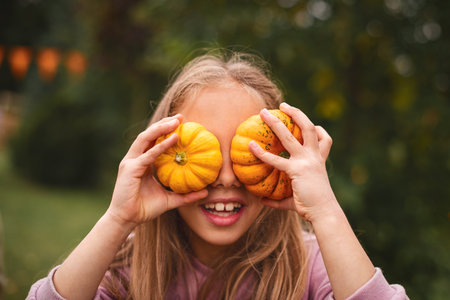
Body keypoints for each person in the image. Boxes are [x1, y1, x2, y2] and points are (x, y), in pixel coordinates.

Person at [27, 51, 408, 300]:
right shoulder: (129, 267)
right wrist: (116, 219)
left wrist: (325, 211)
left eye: (248, 154)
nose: (226, 177)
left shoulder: (307, 264)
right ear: (161, 155)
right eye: (203, 151)